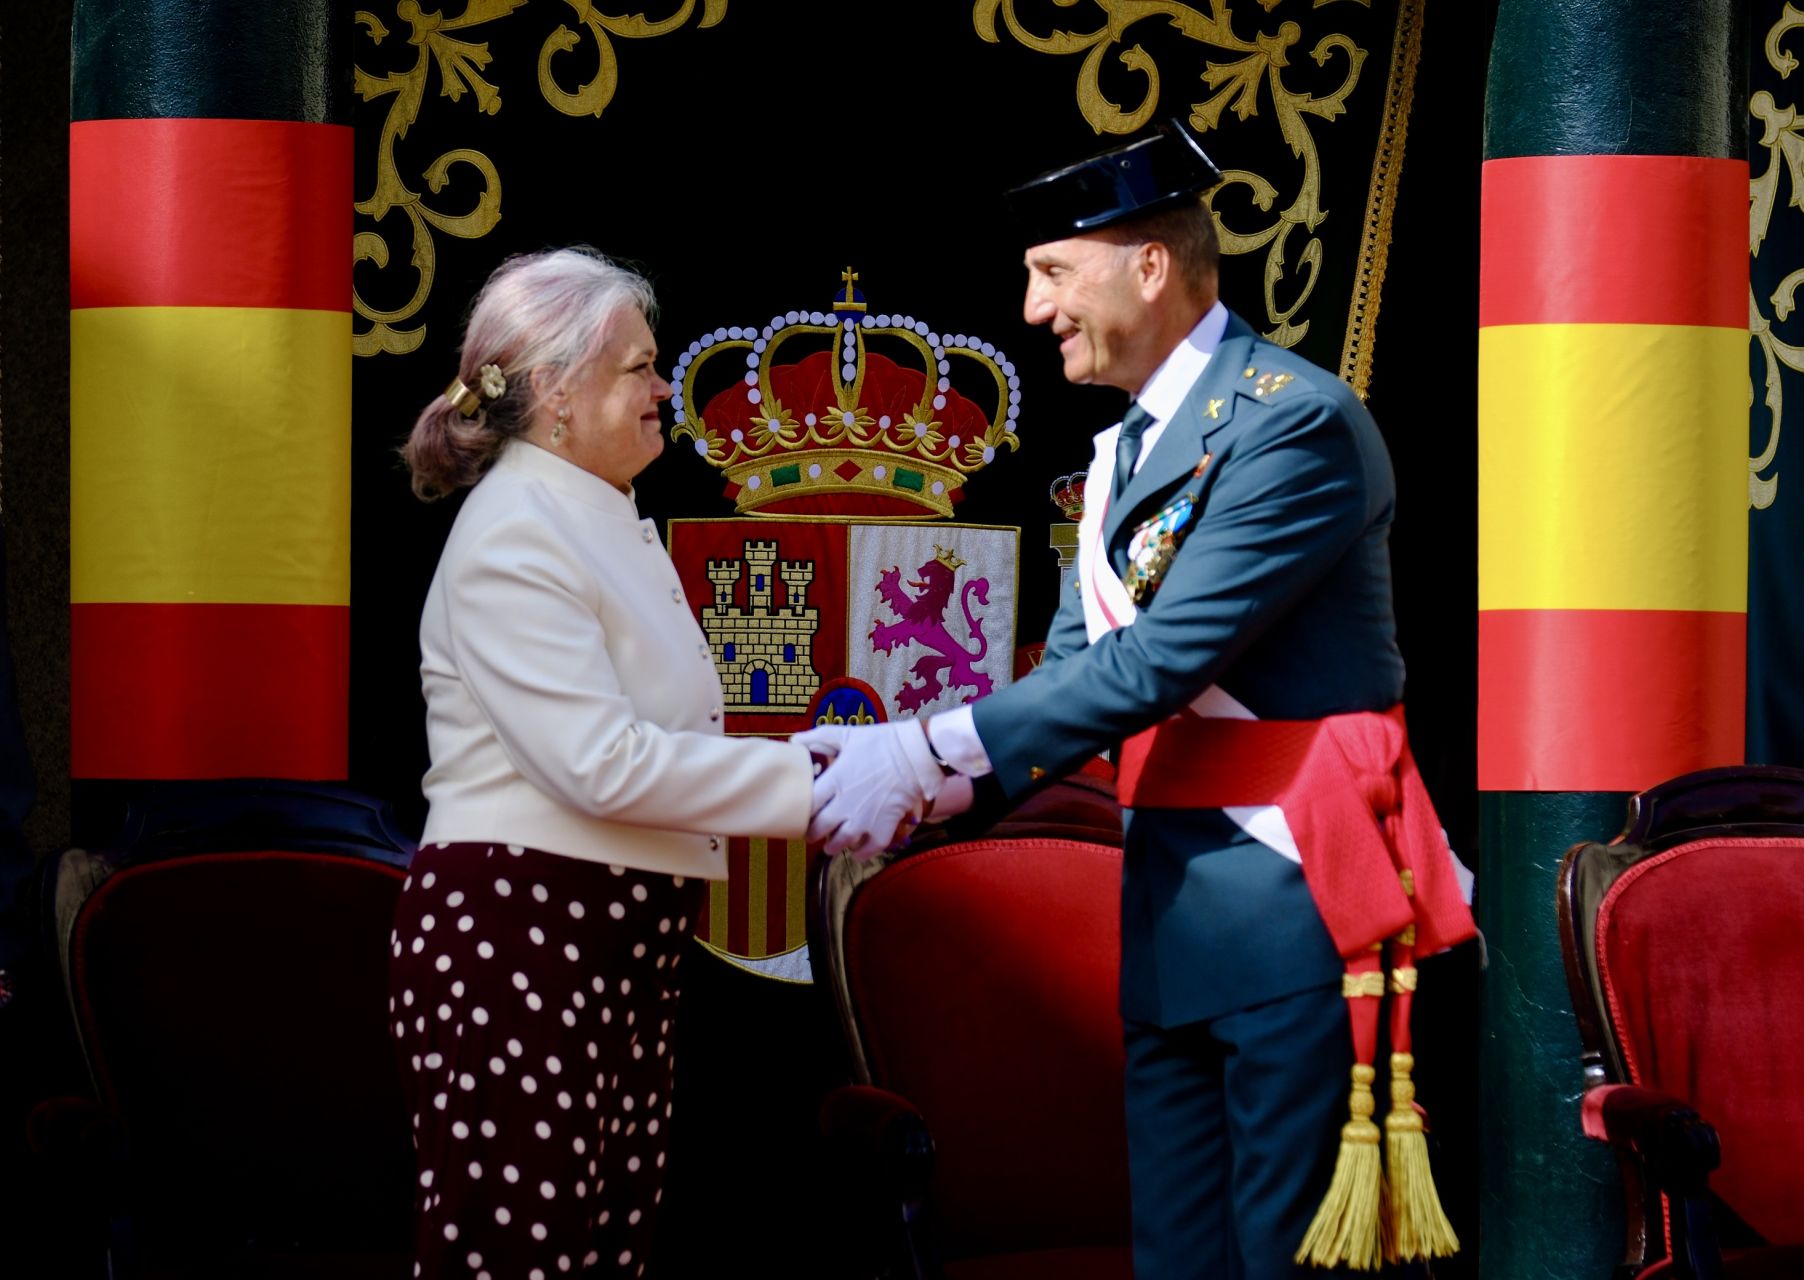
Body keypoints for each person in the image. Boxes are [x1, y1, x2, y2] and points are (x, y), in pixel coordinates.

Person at [799, 126, 1473, 1276]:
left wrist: (916, 750)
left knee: (1280, 1259)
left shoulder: (1292, 423)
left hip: (1294, 910)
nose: (1030, 305)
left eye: (1053, 271)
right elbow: (1074, 676)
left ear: (1148, 266)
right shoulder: (1128, 451)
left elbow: (1159, 662)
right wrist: (936, 786)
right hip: (1170, 920)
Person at [391, 247, 814, 1278]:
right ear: (554, 393)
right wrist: (824, 784)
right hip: (518, 936)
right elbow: (604, 766)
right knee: (520, 1261)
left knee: (596, 1256)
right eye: (639, 366)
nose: (664, 387)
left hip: (604, 942)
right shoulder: (513, 536)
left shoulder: (591, 520)